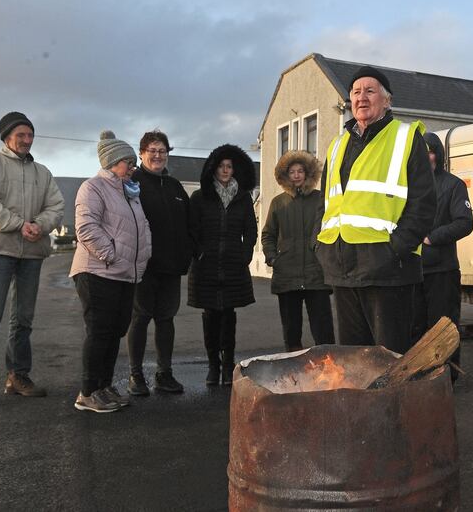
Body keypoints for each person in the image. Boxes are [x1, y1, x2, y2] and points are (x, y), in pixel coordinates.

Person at [315, 66, 436, 354]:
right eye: (356, 92)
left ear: (387, 100)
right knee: (352, 361)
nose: (361, 97)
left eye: (370, 91)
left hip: (389, 269)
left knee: (389, 361)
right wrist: (319, 247)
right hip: (342, 266)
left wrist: (394, 249)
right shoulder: (337, 145)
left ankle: (391, 402)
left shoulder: (406, 137)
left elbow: (424, 203)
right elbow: (325, 204)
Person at [0, 112, 65, 409]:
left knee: (23, 319)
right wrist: (17, 223)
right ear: (6, 136)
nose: (27, 140)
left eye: (30, 134)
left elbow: (56, 206)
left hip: (31, 254)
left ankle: (18, 377)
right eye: (21, 134)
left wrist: (39, 223)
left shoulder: (42, 172)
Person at [70, 131, 152, 413]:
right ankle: (88, 392)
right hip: (97, 272)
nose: (132, 167)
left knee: (115, 330)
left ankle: (104, 386)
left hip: (123, 274)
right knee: (99, 330)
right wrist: (112, 256)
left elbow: (141, 230)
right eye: (128, 162)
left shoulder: (130, 193)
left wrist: (140, 258)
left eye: (132, 163)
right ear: (112, 162)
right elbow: (86, 228)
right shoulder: (92, 188)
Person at [125, 130, 192, 396]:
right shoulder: (132, 183)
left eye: (162, 151)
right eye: (152, 150)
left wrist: (188, 253)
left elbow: (189, 223)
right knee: (140, 318)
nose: (157, 155)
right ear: (141, 154)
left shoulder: (175, 186)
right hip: (142, 267)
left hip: (171, 267)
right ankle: (136, 375)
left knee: (166, 319)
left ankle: (164, 374)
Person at [188, 144, 257, 386]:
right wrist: (199, 253)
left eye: (229, 167)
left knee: (228, 315)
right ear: (213, 169)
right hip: (206, 266)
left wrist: (245, 254)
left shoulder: (243, 197)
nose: (226, 170)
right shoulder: (200, 197)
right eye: (221, 166)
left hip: (232, 265)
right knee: (210, 316)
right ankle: (213, 366)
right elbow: (192, 229)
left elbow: (251, 230)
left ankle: (228, 366)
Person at [412, 132, 473, 375]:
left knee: (443, 328)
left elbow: (464, 222)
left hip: (442, 270)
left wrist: (432, 237)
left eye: (428, 151)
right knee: (415, 328)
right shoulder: (408, 185)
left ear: (437, 154)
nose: (424, 156)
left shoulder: (453, 185)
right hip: (412, 270)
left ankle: (447, 376)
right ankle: (419, 375)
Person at [262, 150, 335, 352]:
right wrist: (272, 257)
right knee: (291, 330)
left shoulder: (320, 199)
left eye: (300, 171)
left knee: (323, 329)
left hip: (316, 273)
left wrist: (325, 256)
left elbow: (330, 228)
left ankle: (328, 367)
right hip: (286, 273)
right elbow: (268, 233)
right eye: (292, 171)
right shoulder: (278, 203)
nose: (296, 175)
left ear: (308, 173)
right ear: (285, 175)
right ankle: (294, 370)